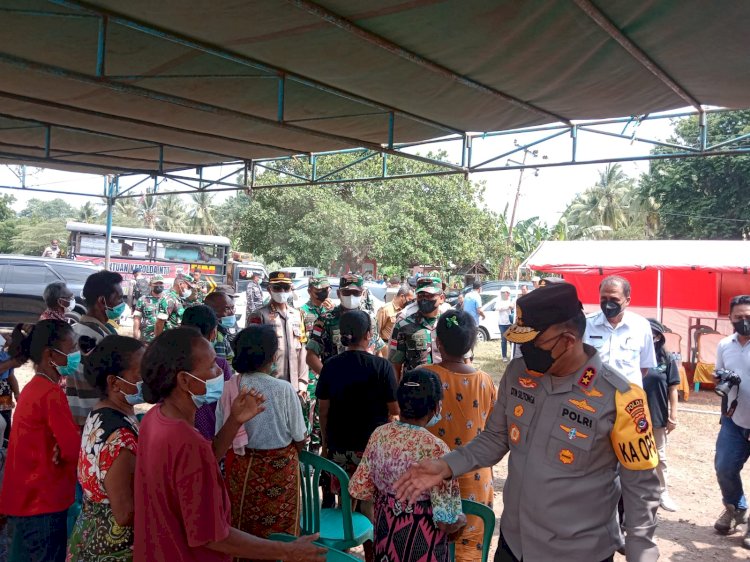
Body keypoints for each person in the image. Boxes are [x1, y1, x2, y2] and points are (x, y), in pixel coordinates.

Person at [394, 282, 661, 562]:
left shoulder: (620, 397)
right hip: (514, 544)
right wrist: (447, 464)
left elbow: (641, 484)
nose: (525, 350)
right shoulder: (518, 373)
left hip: (578, 553)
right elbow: (495, 438)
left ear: (568, 340)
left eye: (533, 342)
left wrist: (640, 547)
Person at [134, 328, 324, 562]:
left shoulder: (154, 419)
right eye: (213, 365)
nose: (220, 372)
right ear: (185, 380)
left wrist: (234, 421)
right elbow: (213, 536)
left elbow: (205, 460)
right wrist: (287, 550)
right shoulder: (186, 442)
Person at [349, 368, 465, 562]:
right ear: (436, 407)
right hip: (423, 545)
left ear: (401, 402)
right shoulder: (437, 449)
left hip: (385, 538)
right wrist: (461, 521)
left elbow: (359, 489)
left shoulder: (380, 434)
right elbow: (446, 520)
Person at [217, 325, 308, 551]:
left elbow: (222, 433)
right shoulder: (283, 389)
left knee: (243, 524)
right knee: (281, 528)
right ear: (272, 355)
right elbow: (299, 435)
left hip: (242, 468)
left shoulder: (229, 387)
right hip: (281, 467)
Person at [0, 320, 81, 562]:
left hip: (28, 500)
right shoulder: (51, 393)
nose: (77, 355)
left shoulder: (33, 388)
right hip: (45, 502)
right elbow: (72, 449)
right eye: (72, 348)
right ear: (50, 355)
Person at [424, 310, 496, 562]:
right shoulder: (485, 381)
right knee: (468, 551)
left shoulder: (424, 376)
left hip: (432, 479)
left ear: (438, 343)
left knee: (430, 546)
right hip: (476, 479)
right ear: (472, 344)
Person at [66, 335, 145, 561]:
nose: (148, 379)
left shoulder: (102, 410)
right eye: (140, 374)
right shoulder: (119, 437)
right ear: (114, 382)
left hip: (90, 533)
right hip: (111, 547)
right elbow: (124, 513)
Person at [317, 310, 399, 515]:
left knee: (344, 500)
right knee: (369, 503)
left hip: (339, 447)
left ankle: (343, 543)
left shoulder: (330, 365)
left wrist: (326, 444)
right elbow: (395, 409)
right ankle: (369, 544)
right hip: (371, 448)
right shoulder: (382, 366)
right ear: (369, 334)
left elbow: (323, 410)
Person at [713, 294, 750, 545]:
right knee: (724, 468)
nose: (744, 321)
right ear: (730, 318)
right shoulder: (724, 344)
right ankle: (737, 509)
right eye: (739, 317)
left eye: (749, 317)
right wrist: (724, 378)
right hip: (734, 419)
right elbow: (717, 377)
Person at [68, 270, 124, 428]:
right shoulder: (101, 340)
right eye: (118, 298)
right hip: (98, 422)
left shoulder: (73, 330)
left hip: (77, 417)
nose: (122, 303)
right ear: (102, 301)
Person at [306, 273, 385, 376]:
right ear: (339, 294)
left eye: (356, 293)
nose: (351, 296)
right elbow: (311, 356)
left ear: (363, 294)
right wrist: (328, 377)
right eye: (347, 292)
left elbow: (378, 351)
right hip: (336, 383)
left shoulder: (370, 319)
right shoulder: (325, 320)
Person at [584, 275, 656, 387]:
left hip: (628, 397)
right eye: (604, 299)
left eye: (614, 299)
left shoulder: (641, 326)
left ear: (627, 301)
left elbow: (644, 367)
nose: (608, 304)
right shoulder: (586, 324)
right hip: (593, 395)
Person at [248, 271, 308, 398]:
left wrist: (302, 383)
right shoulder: (259, 315)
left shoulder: (297, 315)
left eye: (285, 288)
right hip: (269, 385)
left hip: (294, 386)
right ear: (269, 289)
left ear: (291, 289)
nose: (282, 291)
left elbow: (303, 350)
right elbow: (252, 351)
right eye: (277, 287)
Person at [643, 319, 680, 513]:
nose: (651, 338)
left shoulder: (666, 358)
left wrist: (673, 415)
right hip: (631, 415)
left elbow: (673, 388)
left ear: (659, 337)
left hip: (657, 413)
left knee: (659, 456)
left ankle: (662, 492)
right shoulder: (634, 355)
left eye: (653, 335)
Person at [182, 305, 234, 441]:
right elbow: (228, 403)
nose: (217, 371)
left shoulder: (171, 361)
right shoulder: (220, 364)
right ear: (213, 333)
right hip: (211, 436)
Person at [299, 275, 335, 451]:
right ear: (310, 291)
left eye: (326, 290)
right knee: (309, 413)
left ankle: (320, 448)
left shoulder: (332, 313)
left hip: (327, 370)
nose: (323, 293)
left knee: (325, 416)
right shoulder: (302, 312)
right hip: (309, 371)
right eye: (319, 290)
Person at [389, 276, 447, 380]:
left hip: (445, 389)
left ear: (441, 298)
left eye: (429, 295)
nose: (424, 299)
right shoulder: (404, 325)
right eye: (420, 295)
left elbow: (464, 360)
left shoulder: (449, 323)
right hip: (415, 389)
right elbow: (395, 364)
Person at [375, 285, 414, 358]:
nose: (411, 302)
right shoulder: (385, 309)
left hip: (401, 349)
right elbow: (376, 333)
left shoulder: (407, 311)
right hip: (386, 349)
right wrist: (380, 353)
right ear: (402, 296)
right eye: (410, 299)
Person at [205, 291, 238, 363]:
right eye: (227, 309)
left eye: (232, 308)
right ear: (211, 311)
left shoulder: (222, 331)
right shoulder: (212, 336)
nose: (232, 313)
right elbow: (220, 367)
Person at [132, 274, 167, 344]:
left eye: (161, 283)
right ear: (150, 285)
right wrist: (136, 334)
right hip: (146, 339)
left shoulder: (168, 299)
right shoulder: (143, 299)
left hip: (164, 340)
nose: (159, 285)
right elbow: (137, 318)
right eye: (156, 283)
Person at [0, 335, 20, 445]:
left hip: (4, 394)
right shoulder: (7, 359)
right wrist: (11, 362)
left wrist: (17, 394)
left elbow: (11, 376)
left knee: (5, 421)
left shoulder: (5, 356)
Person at [497, 286, 515, 362]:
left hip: (510, 323)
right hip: (501, 323)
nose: (504, 294)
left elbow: (513, 306)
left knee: (511, 340)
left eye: (505, 293)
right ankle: (504, 356)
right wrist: (507, 307)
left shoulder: (512, 299)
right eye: (502, 293)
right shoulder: (499, 300)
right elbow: (497, 308)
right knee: (503, 340)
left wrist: (509, 307)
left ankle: (512, 356)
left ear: (508, 293)